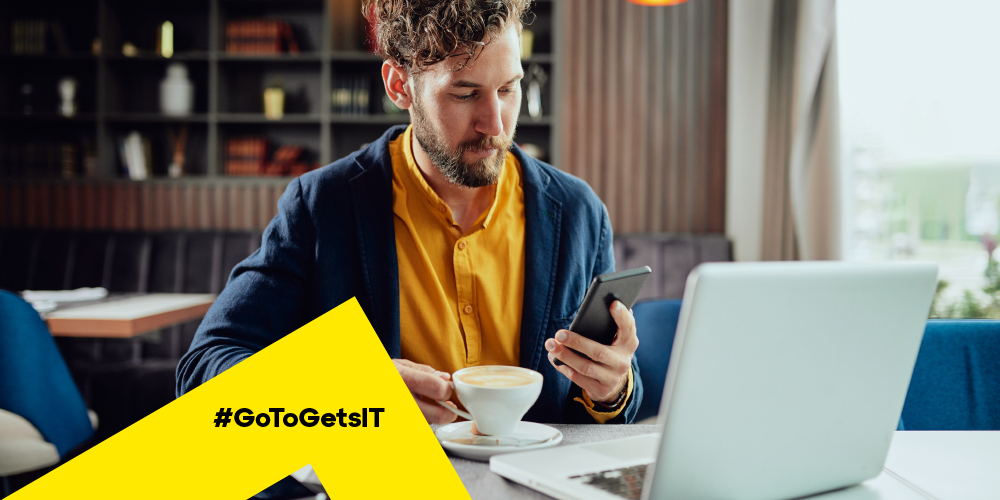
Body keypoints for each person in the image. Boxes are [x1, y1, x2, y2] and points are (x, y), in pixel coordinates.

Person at [176, 0, 643, 429]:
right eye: (465, 94)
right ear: (400, 85)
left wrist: (613, 389)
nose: (495, 123)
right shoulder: (322, 206)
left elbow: (612, 397)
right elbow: (203, 372)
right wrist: (351, 397)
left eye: (508, 88)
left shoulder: (580, 211)